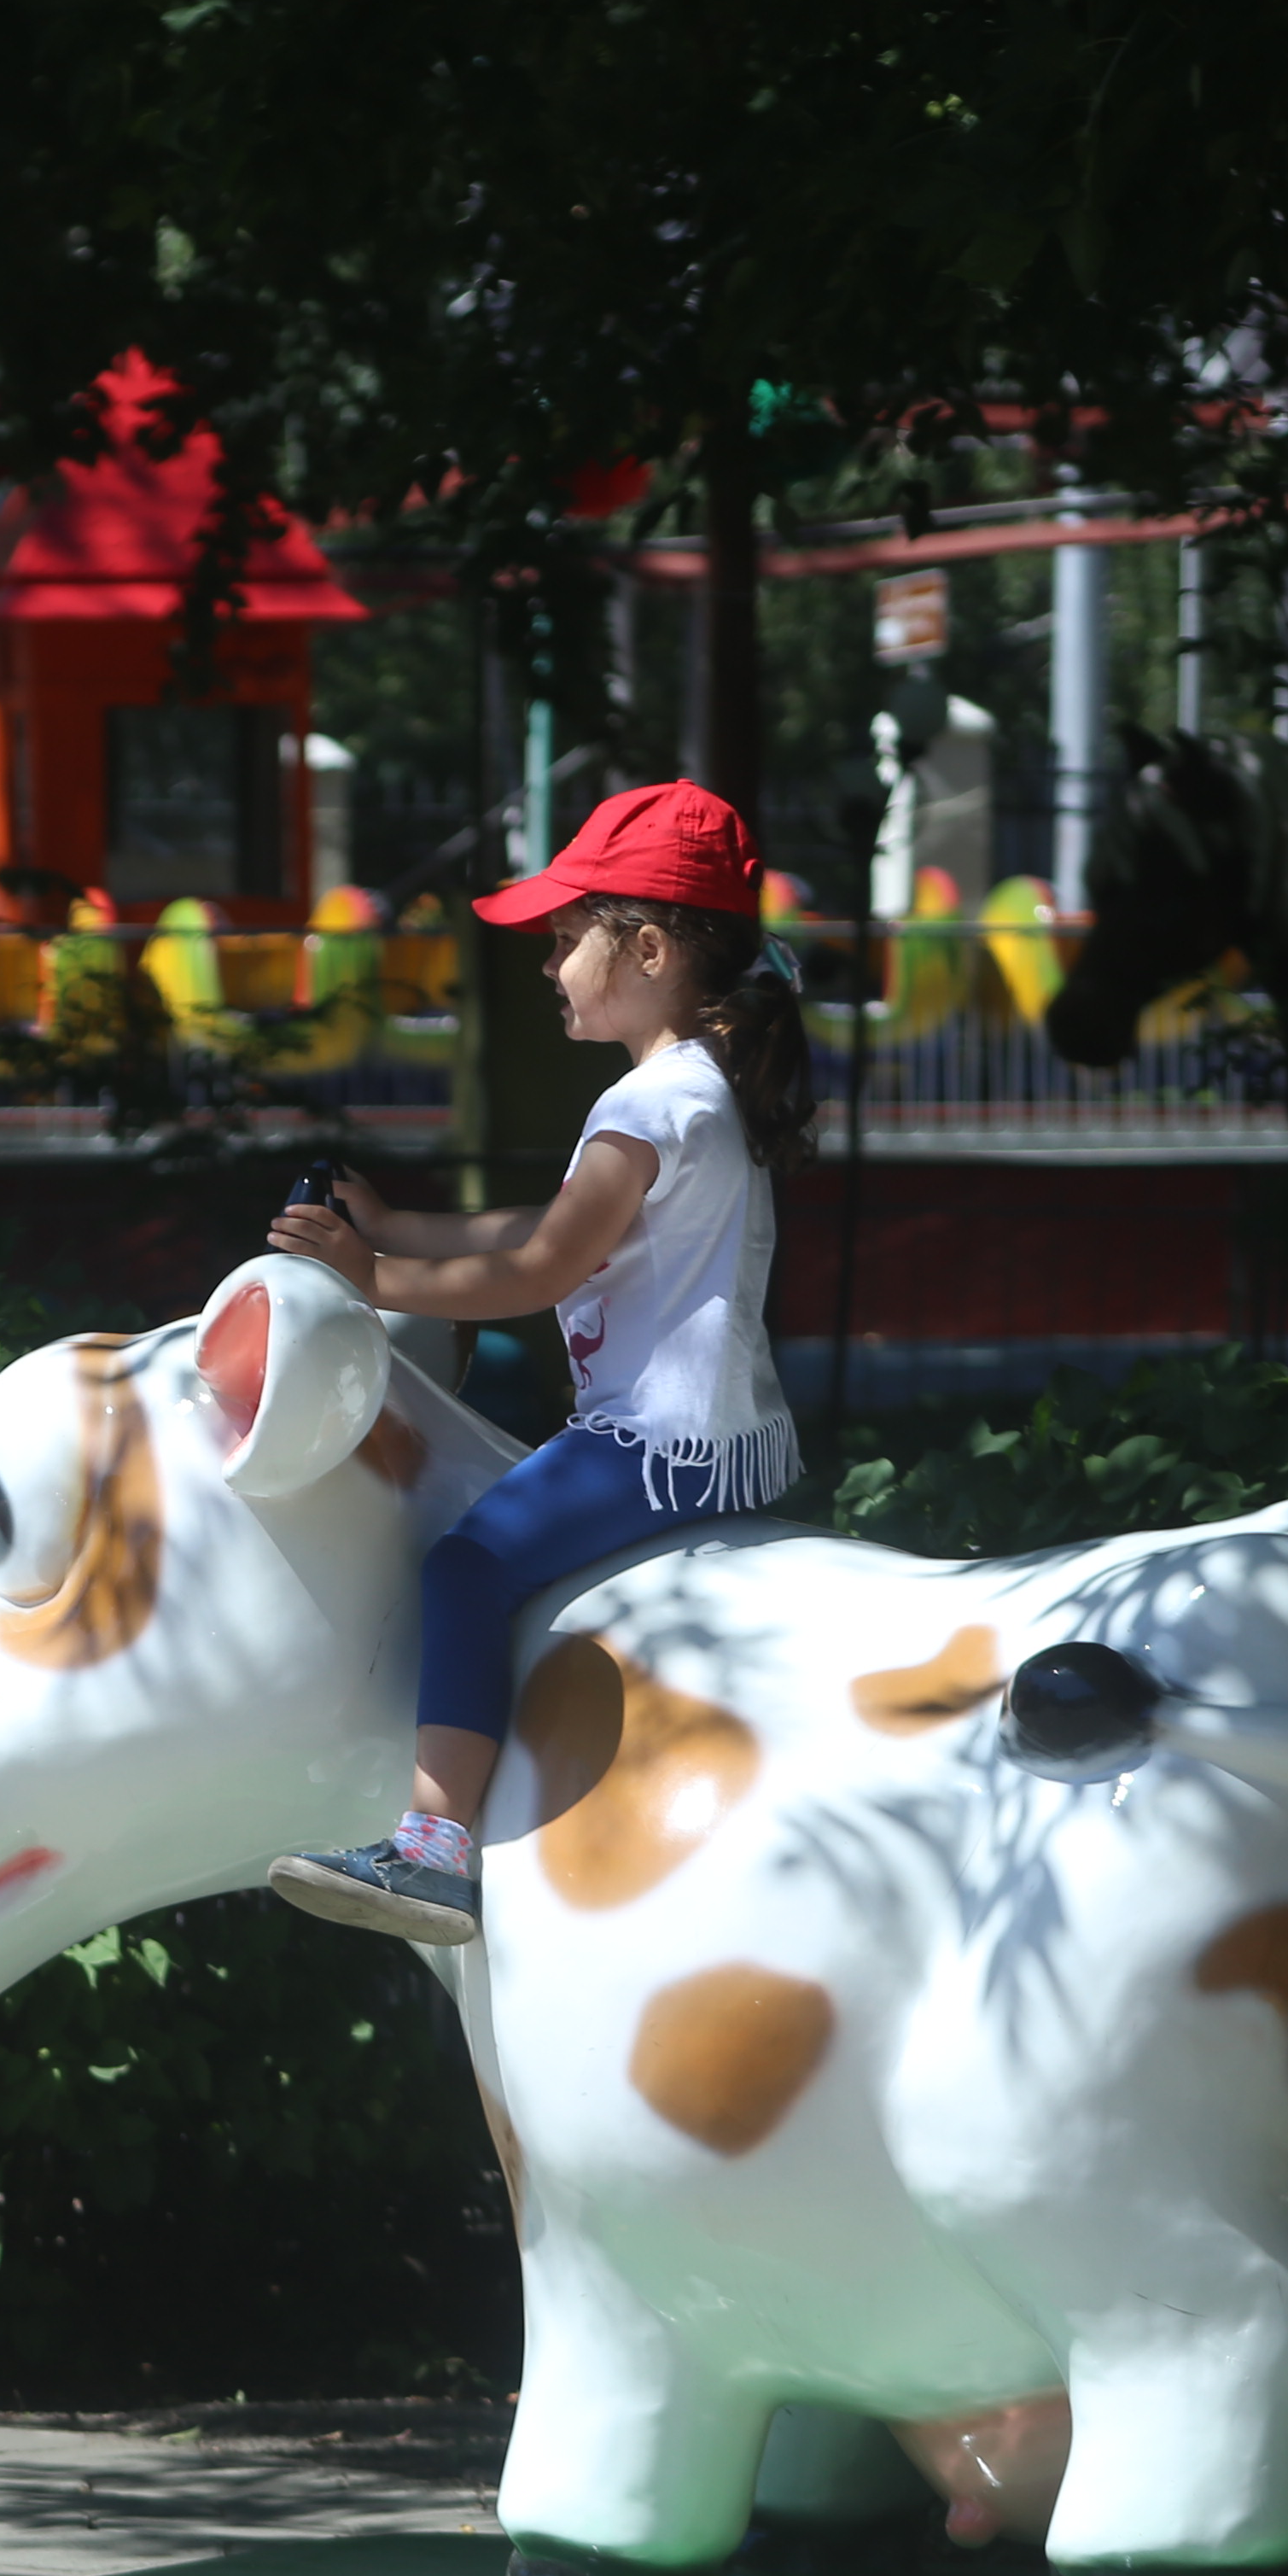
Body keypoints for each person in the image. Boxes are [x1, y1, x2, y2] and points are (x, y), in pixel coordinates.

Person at [261, 780, 813, 1945]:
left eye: (566, 941)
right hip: (734, 1442)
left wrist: (372, 1278)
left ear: (649, 949)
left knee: (466, 1566)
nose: (550, 965)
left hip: (656, 1443)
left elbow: (541, 1270)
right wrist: (399, 1228)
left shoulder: (646, 1104)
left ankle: (433, 1843)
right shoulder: (703, 1087)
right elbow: (560, 1228)